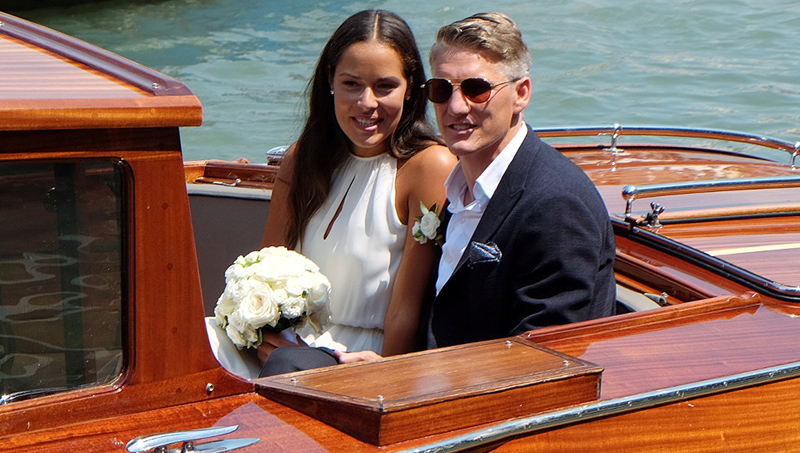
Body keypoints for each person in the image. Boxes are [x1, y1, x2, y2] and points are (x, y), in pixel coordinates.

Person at [258, 10, 456, 375]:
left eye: (384, 86)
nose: (367, 102)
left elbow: (405, 312)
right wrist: (264, 339)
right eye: (351, 84)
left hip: (364, 362)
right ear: (330, 81)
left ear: (410, 87)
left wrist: (385, 383)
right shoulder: (301, 159)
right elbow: (265, 271)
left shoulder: (429, 168)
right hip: (284, 353)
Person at [424, 12, 616, 348]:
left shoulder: (556, 205)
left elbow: (542, 356)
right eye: (441, 89)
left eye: (476, 89)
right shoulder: (456, 191)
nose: (455, 107)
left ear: (521, 94)